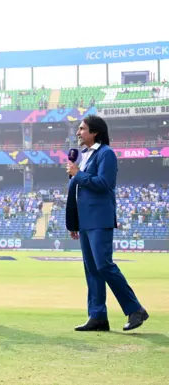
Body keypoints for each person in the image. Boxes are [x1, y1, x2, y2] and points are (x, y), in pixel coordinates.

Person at [65, 115, 148, 332]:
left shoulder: (106, 154)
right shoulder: (83, 156)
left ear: (95, 132)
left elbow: (104, 184)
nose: (78, 133)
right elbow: (77, 190)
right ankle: (97, 316)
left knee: (103, 265)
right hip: (85, 221)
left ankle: (135, 309)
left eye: (82, 129)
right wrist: (74, 221)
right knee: (91, 269)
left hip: (99, 219)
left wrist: (78, 174)